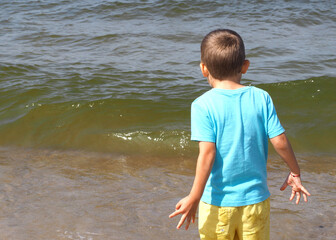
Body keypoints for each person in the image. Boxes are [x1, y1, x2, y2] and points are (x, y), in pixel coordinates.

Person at [169, 29, 310, 240]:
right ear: (245, 66)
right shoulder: (261, 97)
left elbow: (207, 154)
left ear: (203, 69)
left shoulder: (202, 105)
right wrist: (295, 173)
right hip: (256, 202)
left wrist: (194, 197)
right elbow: (280, 140)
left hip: (217, 203)